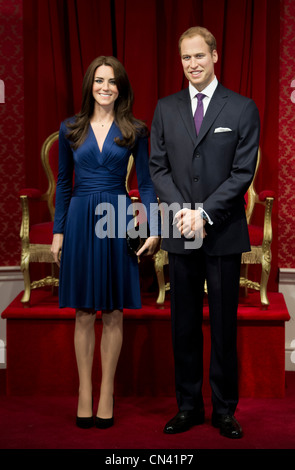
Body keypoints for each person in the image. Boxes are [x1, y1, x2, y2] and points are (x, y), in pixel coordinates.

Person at [149, 26, 260, 439]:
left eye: (199, 56)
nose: (192, 64)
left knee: (224, 327)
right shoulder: (165, 107)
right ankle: (189, 406)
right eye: (185, 58)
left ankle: (225, 410)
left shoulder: (242, 108)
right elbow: (157, 167)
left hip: (223, 232)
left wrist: (205, 214)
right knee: (184, 326)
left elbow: (242, 173)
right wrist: (182, 212)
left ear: (215, 56)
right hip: (180, 231)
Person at [51, 56, 160, 429]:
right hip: (81, 219)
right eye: (99, 81)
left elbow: (145, 184)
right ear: (90, 85)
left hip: (117, 219)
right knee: (83, 310)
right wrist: (58, 232)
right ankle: (84, 391)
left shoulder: (135, 130)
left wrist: (153, 227)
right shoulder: (70, 129)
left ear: (121, 87)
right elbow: (64, 184)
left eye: (112, 82)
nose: (105, 87)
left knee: (113, 310)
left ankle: (107, 391)